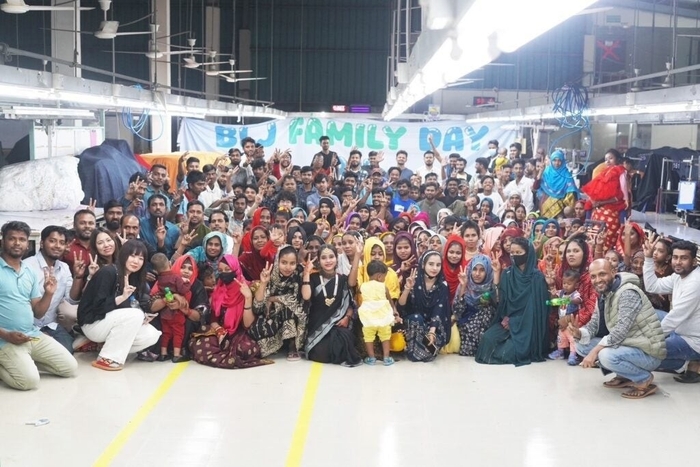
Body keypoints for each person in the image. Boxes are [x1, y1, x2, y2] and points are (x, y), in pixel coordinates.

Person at [569, 259, 666, 399]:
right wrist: (579, 333)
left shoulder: (628, 292)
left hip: (648, 352)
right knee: (581, 344)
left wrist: (595, 352)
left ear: (614, 272)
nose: (598, 280)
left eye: (602, 274)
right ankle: (625, 375)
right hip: (629, 345)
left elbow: (620, 331)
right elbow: (594, 324)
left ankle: (643, 379)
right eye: (593, 276)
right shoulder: (604, 294)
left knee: (605, 355)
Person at [0, 221, 77, 390]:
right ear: (2, 241)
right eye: (12, 238)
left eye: (22, 239)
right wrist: (6, 335)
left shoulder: (28, 271)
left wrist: (49, 293)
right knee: (29, 382)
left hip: (31, 335)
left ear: (27, 244)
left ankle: (22, 362)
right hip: (4, 340)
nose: (17, 243)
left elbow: (38, 313)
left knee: (70, 368)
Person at [77, 240, 162, 371]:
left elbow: (131, 307)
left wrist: (144, 317)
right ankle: (107, 359)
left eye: (141, 258)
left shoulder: (135, 278)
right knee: (135, 315)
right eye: (132, 256)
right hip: (93, 323)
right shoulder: (108, 272)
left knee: (152, 335)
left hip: (110, 323)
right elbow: (98, 307)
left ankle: (105, 347)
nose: (136, 261)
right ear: (123, 255)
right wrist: (121, 298)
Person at [188, 255, 272, 369]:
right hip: (221, 332)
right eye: (220, 270)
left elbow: (247, 324)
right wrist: (219, 329)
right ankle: (224, 352)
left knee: (245, 349)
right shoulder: (218, 289)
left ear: (236, 269)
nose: (224, 274)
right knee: (199, 345)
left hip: (240, 334)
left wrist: (247, 298)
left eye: (228, 270)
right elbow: (213, 318)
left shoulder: (248, 287)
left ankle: (224, 353)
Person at [476, 237, 550, 366]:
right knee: (487, 340)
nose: (515, 256)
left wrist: (515, 322)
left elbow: (538, 310)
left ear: (528, 254)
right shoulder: (508, 273)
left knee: (509, 351)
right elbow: (500, 301)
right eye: (512, 253)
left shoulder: (537, 277)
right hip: (507, 321)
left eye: (519, 252)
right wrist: (497, 274)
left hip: (528, 325)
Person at [642, 238, 700, 383]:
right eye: (675, 257)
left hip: (693, 341)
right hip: (680, 330)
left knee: (643, 351)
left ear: (694, 261)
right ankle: (685, 363)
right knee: (648, 313)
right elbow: (652, 286)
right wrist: (648, 259)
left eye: (684, 258)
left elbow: (675, 317)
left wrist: (649, 339)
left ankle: (688, 361)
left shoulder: (695, 283)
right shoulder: (678, 276)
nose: (678, 262)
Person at [24, 226, 83, 353]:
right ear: (41, 243)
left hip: (51, 325)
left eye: (61, 242)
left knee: (67, 352)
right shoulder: (27, 266)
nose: (57, 246)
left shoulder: (64, 268)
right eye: (52, 241)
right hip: (27, 327)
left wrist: (78, 277)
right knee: (43, 353)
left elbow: (71, 300)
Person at [303, 244, 363, 367]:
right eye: (324, 258)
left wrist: (357, 256)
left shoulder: (342, 279)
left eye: (331, 257)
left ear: (337, 258)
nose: (328, 261)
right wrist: (306, 273)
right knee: (320, 353)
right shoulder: (313, 278)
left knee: (344, 338)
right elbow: (306, 296)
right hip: (317, 326)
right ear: (319, 261)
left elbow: (352, 285)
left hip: (337, 325)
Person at [248, 246, 306, 360]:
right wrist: (263, 283)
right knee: (257, 330)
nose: (288, 267)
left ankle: (292, 345)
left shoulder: (299, 275)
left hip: (294, 315)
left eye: (292, 263)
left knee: (289, 308)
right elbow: (257, 307)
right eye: (284, 262)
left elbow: (295, 300)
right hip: (271, 314)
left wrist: (273, 299)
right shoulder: (270, 275)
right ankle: (278, 345)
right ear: (277, 261)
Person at [150, 255, 210, 361]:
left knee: (189, 323)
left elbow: (199, 317)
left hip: (184, 323)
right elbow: (152, 307)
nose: (186, 271)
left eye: (190, 269)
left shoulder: (197, 286)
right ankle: (163, 352)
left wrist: (184, 309)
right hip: (166, 320)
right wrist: (169, 299)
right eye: (183, 267)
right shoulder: (164, 281)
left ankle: (180, 351)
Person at [399, 251, 451, 362]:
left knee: (432, 345)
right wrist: (407, 288)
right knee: (417, 318)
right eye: (431, 264)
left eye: (438, 265)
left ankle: (416, 349)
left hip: (433, 325)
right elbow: (401, 306)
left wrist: (432, 332)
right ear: (423, 265)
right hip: (414, 323)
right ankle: (416, 350)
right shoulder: (413, 280)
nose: (434, 268)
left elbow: (439, 310)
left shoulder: (442, 285)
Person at [453, 254, 499, 357]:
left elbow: (498, 305)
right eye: (474, 269)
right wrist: (463, 286)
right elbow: (457, 311)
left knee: (487, 310)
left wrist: (496, 274)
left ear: (488, 271)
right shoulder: (465, 284)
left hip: (485, 326)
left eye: (482, 270)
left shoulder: (491, 286)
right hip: (466, 324)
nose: (477, 274)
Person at [582, 149, 628, 251]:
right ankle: (587, 225)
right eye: (606, 159)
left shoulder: (620, 170)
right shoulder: (603, 171)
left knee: (622, 212)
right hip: (599, 205)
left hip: (614, 202)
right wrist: (594, 201)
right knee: (588, 206)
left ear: (617, 159)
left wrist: (626, 200)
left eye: (611, 158)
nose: (608, 161)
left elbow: (624, 188)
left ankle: (622, 231)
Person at [358, 260, 401, 366]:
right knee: (385, 337)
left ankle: (371, 358)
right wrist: (395, 312)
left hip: (368, 319)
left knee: (368, 337)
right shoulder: (383, 287)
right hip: (383, 318)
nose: (384, 279)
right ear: (379, 276)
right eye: (384, 277)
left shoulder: (363, 286)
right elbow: (390, 301)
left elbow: (358, 295)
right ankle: (386, 358)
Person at [151, 253, 191, 362]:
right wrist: (187, 283)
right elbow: (182, 290)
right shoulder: (176, 277)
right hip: (176, 312)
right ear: (169, 263)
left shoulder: (160, 279)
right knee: (178, 332)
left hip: (165, 311)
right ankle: (177, 355)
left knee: (166, 332)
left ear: (156, 271)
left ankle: (163, 353)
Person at [547, 269, 583, 365]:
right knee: (561, 338)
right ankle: (560, 352)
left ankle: (573, 354)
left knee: (572, 339)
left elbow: (579, 300)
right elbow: (553, 300)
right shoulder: (562, 293)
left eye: (569, 284)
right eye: (564, 283)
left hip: (570, 322)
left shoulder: (575, 294)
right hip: (561, 321)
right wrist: (553, 295)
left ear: (576, 285)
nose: (566, 286)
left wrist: (569, 300)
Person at [535, 150, 578, 219]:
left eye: (559, 160)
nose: (557, 163)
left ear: (563, 161)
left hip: (561, 210)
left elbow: (571, 193)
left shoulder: (567, 175)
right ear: (551, 161)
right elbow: (536, 187)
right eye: (554, 160)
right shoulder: (546, 172)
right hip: (545, 206)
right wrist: (540, 172)